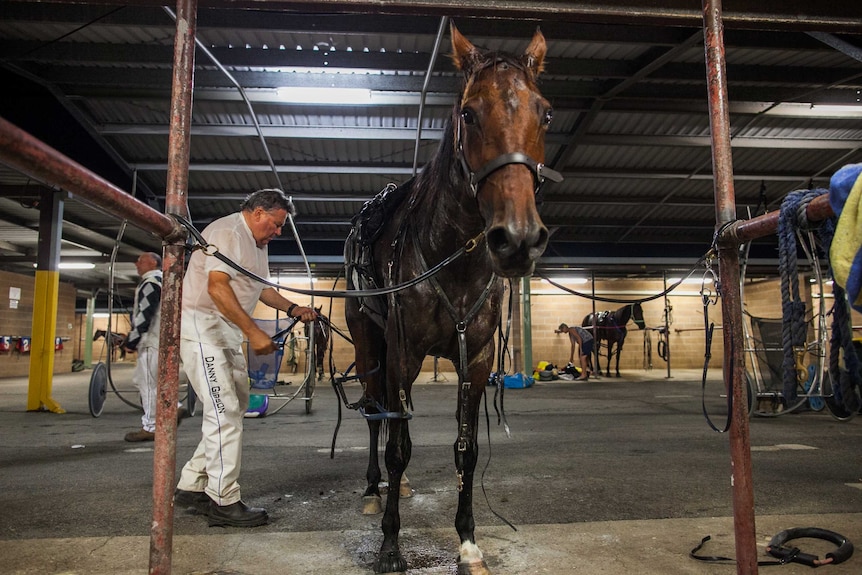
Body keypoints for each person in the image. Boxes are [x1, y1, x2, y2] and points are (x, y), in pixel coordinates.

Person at [174, 189, 317, 528]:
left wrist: (294, 308)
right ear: (256, 212)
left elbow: (261, 289)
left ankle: (192, 485)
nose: (278, 231)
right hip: (204, 333)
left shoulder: (256, 245)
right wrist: (254, 332)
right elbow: (217, 288)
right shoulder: (228, 232)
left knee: (234, 407)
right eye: (276, 224)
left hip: (225, 335)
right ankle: (223, 501)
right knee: (223, 413)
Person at [123, 251, 171, 442]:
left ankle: (151, 426)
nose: (136, 264)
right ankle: (174, 409)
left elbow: (145, 314)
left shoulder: (150, 283)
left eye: (140, 260)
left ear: (152, 262)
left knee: (148, 384)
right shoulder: (164, 281)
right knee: (154, 382)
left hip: (152, 340)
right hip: (164, 340)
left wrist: (132, 340)